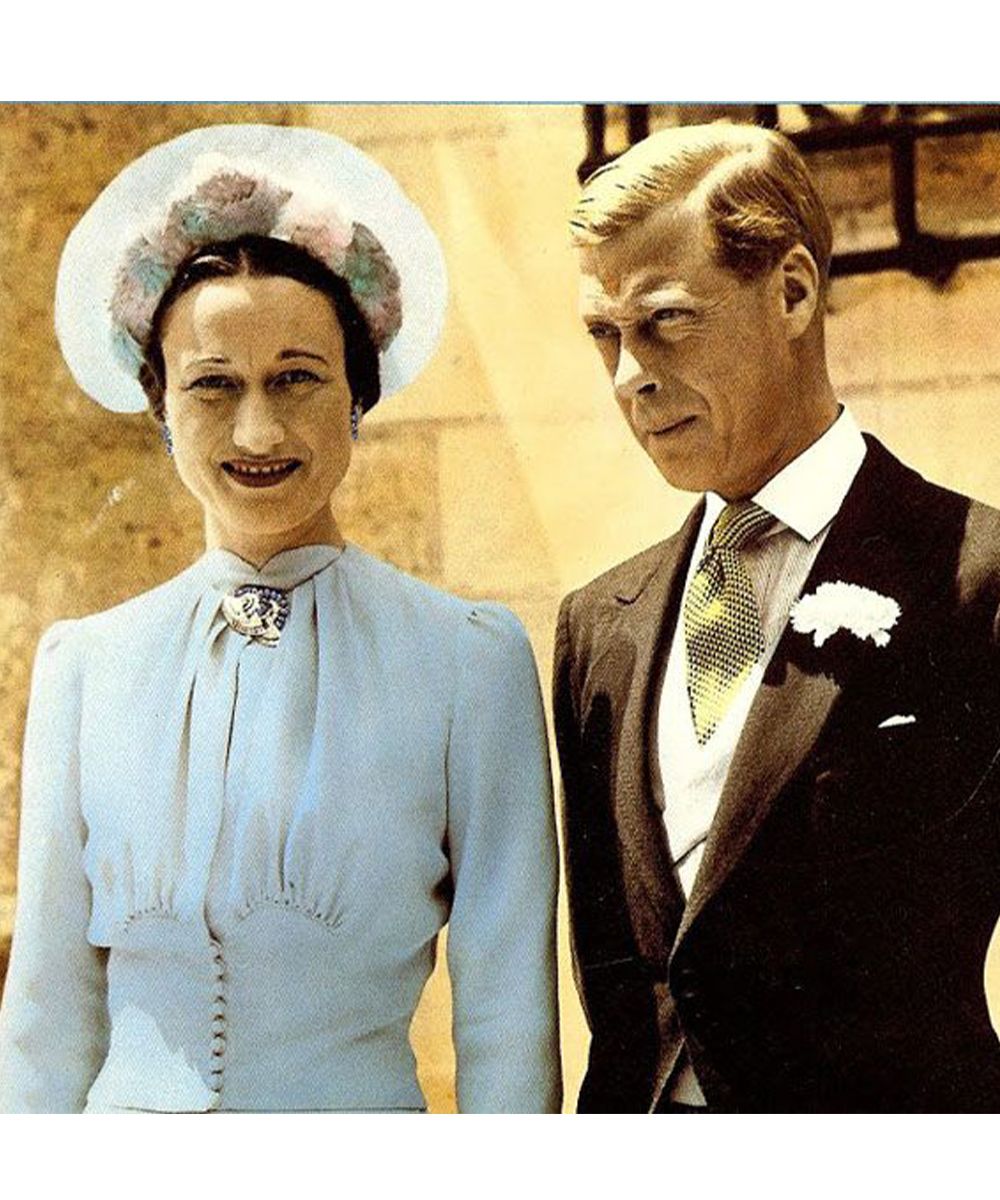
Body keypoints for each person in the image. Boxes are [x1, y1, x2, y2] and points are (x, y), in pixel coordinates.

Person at [0, 124, 561, 1113]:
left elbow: (507, 1018)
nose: (257, 430)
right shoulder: (85, 666)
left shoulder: (466, 663)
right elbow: (47, 1019)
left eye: (296, 378)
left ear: (357, 397)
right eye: (212, 386)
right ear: (161, 408)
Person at [554, 121, 1000, 1113]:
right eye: (604, 336)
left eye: (665, 320)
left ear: (792, 292)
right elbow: (617, 982)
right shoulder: (598, 627)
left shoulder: (975, 581)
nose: (630, 377)